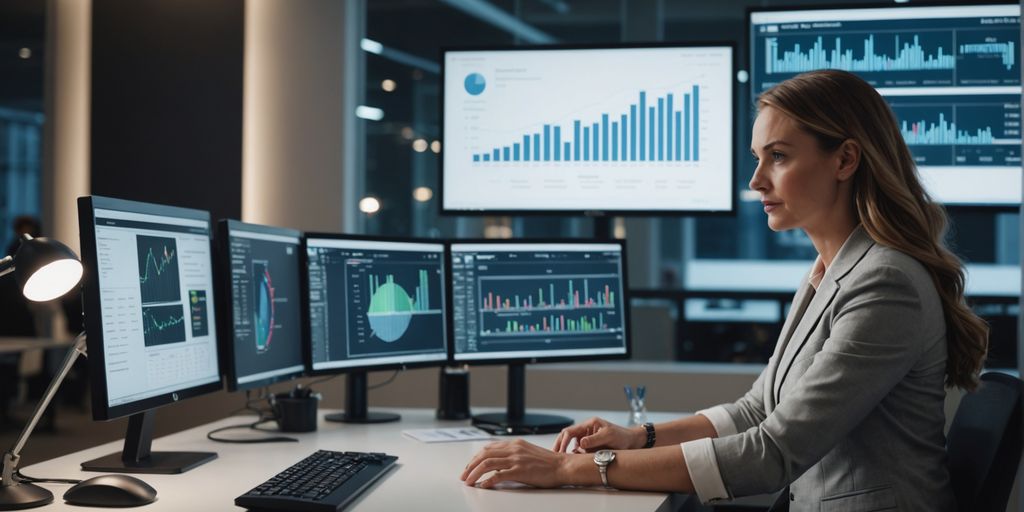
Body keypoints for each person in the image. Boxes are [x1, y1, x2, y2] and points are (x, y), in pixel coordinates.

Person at [460, 69, 988, 511]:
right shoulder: (832, 269)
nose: (757, 180)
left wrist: (571, 468)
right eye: (758, 158)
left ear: (845, 160)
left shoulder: (885, 282)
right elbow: (759, 410)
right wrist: (637, 437)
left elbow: (772, 451)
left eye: (778, 157)